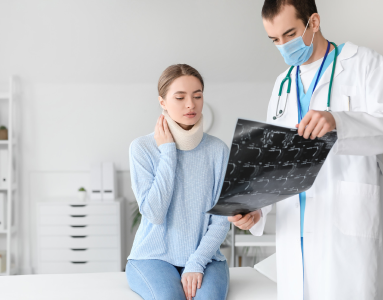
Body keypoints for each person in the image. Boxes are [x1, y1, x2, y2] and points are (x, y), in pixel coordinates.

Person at [228, 1, 383, 299]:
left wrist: (338, 120)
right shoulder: (282, 85)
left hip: (344, 231)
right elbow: (274, 159)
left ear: (314, 22)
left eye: (290, 34)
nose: (284, 46)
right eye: (275, 40)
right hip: (293, 233)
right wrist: (256, 210)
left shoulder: (363, 64)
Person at [126, 64, 230, 300]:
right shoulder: (142, 148)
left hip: (206, 257)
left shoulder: (218, 150)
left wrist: (196, 263)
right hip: (152, 256)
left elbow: (221, 221)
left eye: (197, 96)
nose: (191, 104)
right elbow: (154, 213)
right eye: (180, 97)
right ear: (162, 102)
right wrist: (168, 152)